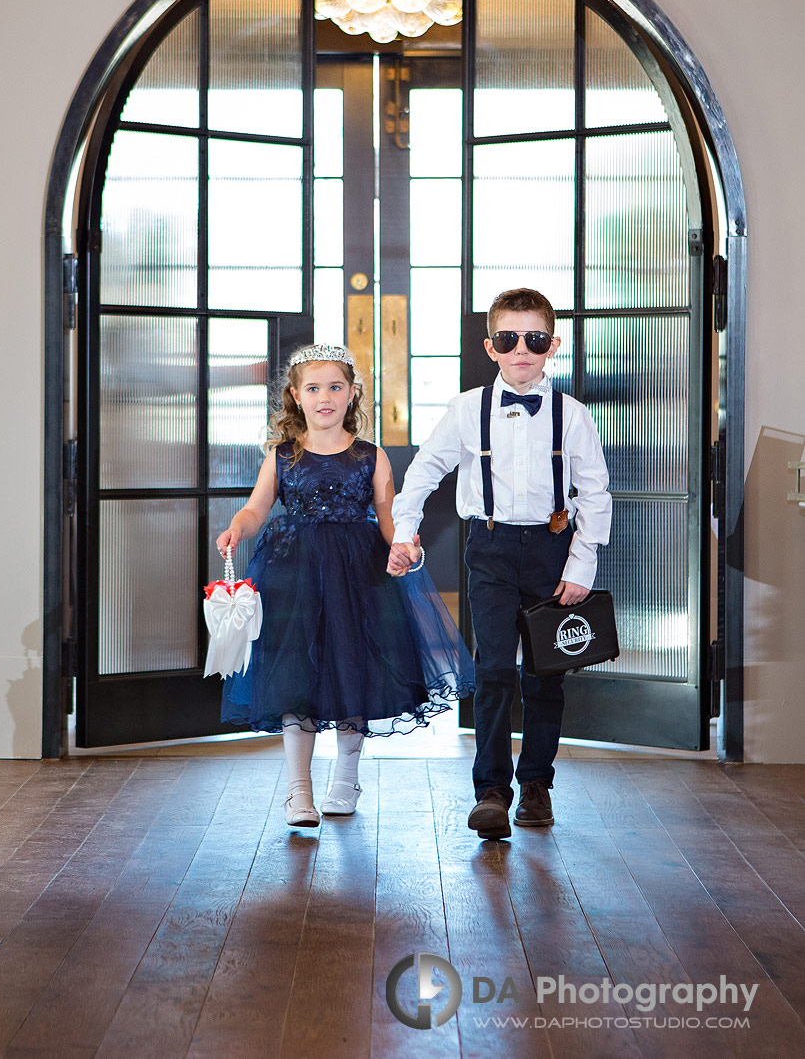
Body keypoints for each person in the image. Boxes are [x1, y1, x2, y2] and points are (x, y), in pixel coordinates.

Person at [216, 343, 475, 829]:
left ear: (352, 393)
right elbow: (256, 509)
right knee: (296, 676)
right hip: (294, 574)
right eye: (313, 388)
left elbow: (387, 516)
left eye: (335, 387)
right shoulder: (281, 456)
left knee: (352, 668)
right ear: (295, 397)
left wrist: (405, 544)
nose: (325, 397)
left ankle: (345, 778)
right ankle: (298, 791)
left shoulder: (370, 457)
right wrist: (238, 527)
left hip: (358, 576)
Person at [389, 289, 611, 840]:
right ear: (491, 346)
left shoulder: (572, 415)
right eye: (509, 339)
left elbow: (597, 492)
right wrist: (405, 532)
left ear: (551, 345)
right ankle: (491, 791)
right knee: (492, 671)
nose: (522, 351)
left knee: (546, 674)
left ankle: (536, 784)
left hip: (552, 550)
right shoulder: (467, 410)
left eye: (534, 340)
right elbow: (423, 473)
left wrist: (581, 564)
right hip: (488, 551)